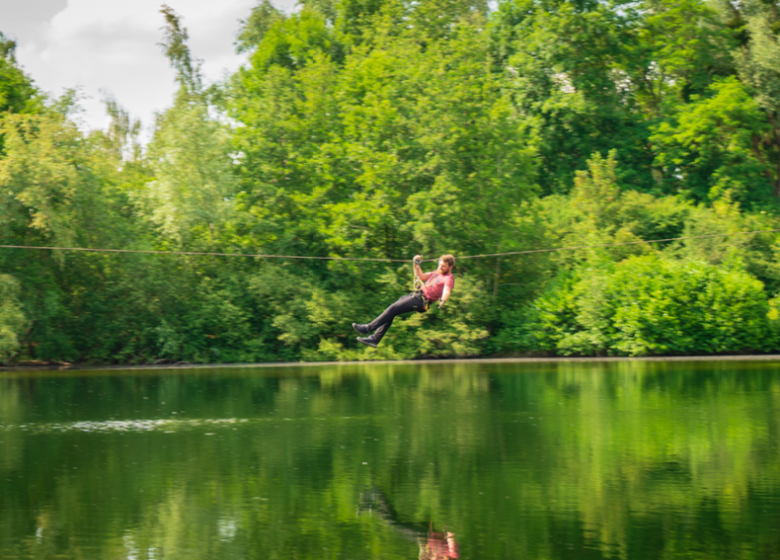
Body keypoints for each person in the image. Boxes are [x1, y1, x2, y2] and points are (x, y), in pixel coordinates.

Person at [353, 254, 455, 348]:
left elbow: (446, 290)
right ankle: (374, 339)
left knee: (392, 309)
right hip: (416, 294)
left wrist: (443, 299)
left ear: (450, 267)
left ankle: (367, 328)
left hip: (421, 301)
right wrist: (416, 264)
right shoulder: (437, 272)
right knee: (391, 312)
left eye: (443, 266)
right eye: (439, 265)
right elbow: (422, 276)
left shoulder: (448, 278)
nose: (440, 268)